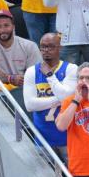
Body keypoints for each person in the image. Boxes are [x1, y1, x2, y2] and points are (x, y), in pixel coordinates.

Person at [23, 32, 77, 164]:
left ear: (60, 47)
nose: (46, 50)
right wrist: (60, 100)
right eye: (43, 47)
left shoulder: (71, 69)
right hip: (43, 137)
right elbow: (30, 105)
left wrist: (49, 75)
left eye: (51, 46)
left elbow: (66, 96)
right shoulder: (31, 71)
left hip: (69, 137)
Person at [0, 9, 41, 106]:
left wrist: (0, 75)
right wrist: (11, 78)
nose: (3, 30)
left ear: (13, 26)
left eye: (6, 25)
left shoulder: (29, 46)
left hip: (24, 91)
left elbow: (35, 76)